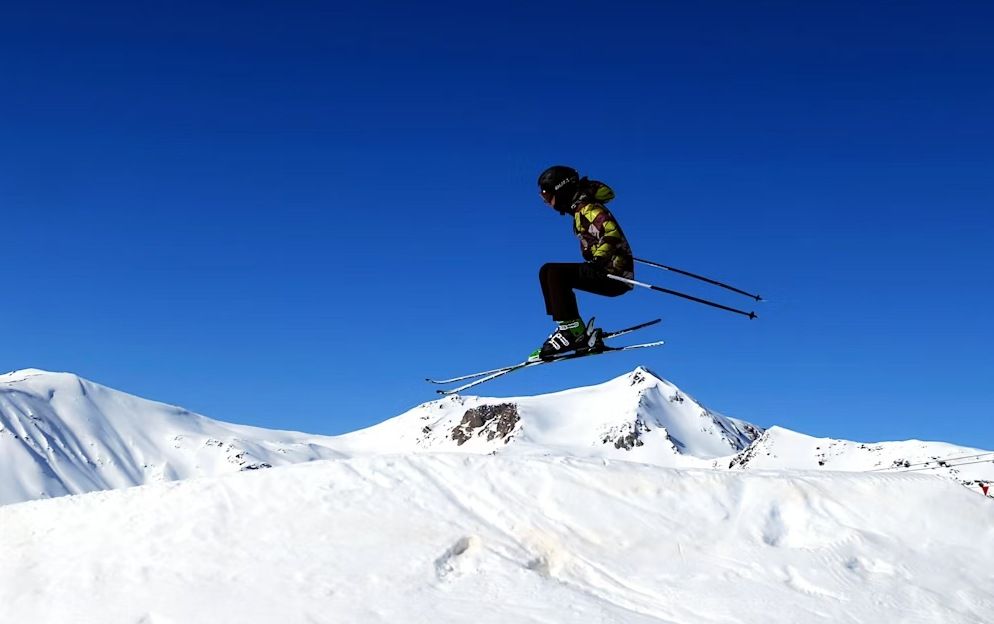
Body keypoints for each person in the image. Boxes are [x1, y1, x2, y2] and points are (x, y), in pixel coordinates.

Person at [530, 165, 635, 362]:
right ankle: (568, 327)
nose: (547, 202)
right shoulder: (579, 210)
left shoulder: (589, 209)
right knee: (547, 271)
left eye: (547, 195)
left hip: (613, 274)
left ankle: (572, 331)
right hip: (608, 270)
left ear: (561, 190)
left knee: (555, 273)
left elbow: (611, 233)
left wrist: (598, 259)